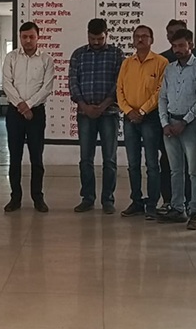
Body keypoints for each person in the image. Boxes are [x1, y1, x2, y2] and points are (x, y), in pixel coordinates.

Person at [69, 18, 125, 214]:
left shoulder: (117, 54)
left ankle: (108, 200)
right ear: (87, 35)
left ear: (106, 34)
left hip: (109, 113)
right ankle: (88, 198)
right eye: (92, 38)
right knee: (86, 158)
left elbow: (119, 83)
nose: (96, 42)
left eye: (100, 39)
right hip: (84, 114)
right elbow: (73, 83)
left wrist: (102, 106)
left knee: (109, 159)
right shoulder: (78, 55)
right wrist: (85, 106)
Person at [157, 29, 196, 230]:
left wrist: (184, 121)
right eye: (174, 46)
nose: (177, 49)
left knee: (194, 171)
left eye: (181, 45)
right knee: (175, 170)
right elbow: (162, 97)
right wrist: (165, 123)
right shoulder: (170, 69)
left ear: (191, 46)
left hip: (190, 124)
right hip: (170, 124)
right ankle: (177, 208)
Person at [2, 22, 54, 213]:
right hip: (15, 113)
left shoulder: (46, 60)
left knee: (36, 157)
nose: (28, 40)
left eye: (32, 36)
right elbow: (7, 84)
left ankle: (38, 198)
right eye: (24, 37)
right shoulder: (11, 57)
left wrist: (29, 105)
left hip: (36, 113)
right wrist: (22, 107)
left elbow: (46, 87)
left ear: (38, 37)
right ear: (20, 37)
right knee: (14, 157)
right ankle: (15, 198)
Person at [117, 25, 167, 218]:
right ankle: (136, 201)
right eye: (137, 36)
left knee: (152, 163)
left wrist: (143, 110)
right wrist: (129, 111)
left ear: (151, 40)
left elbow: (160, 91)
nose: (140, 39)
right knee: (133, 163)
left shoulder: (161, 62)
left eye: (144, 36)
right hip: (129, 118)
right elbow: (119, 89)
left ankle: (152, 204)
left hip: (150, 118)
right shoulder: (127, 63)